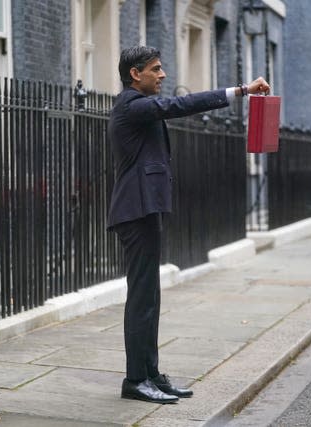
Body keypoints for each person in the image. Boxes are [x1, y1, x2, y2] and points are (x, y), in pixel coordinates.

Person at [107, 45, 270, 404]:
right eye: (156, 69)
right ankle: (135, 380)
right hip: (135, 212)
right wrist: (240, 91)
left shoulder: (139, 108)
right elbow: (180, 105)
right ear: (135, 74)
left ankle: (150, 374)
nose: (163, 75)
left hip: (145, 210)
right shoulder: (131, 105)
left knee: (150, 296)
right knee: (141, 299)